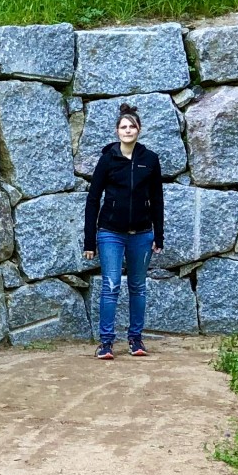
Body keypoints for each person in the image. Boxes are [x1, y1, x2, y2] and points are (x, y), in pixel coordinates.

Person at [83, 103, 164, 360]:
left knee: (138, 286)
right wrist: (89, 240)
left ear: (139, 129)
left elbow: (158, 199)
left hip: (142, 234)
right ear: (117, 131)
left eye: (132, 126)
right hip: (110, 233)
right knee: (111, 285)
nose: (127, 130)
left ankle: (135, 339)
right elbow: (93, 199)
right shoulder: (108, 160)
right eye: (123, 127)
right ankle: (106, 342)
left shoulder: (150, 160)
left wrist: (158, 235)